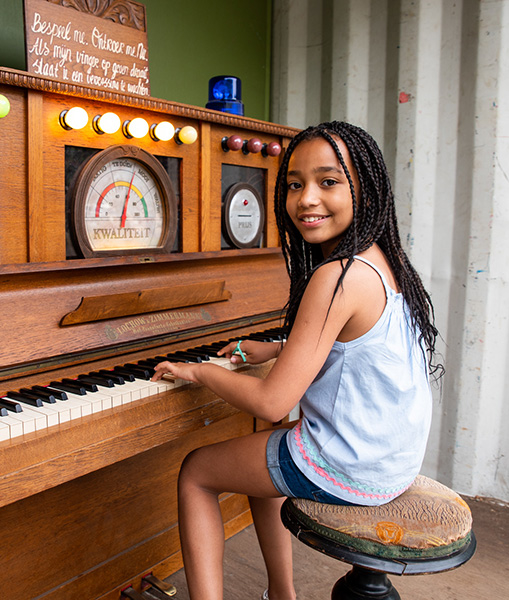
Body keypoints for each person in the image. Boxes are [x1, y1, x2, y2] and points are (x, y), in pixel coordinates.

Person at [150, 121, 441, 600]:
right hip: (388, 461)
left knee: (197, 472)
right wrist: (278, 349)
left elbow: (271, 399)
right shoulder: (380, 261)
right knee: (267, 451)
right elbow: (351, 348)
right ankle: (281, 594)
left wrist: (200, 371)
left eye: (328, 182)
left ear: (364, 191)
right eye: (294, 184)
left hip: (352, 468)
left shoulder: (337, 275)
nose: (307, 198)